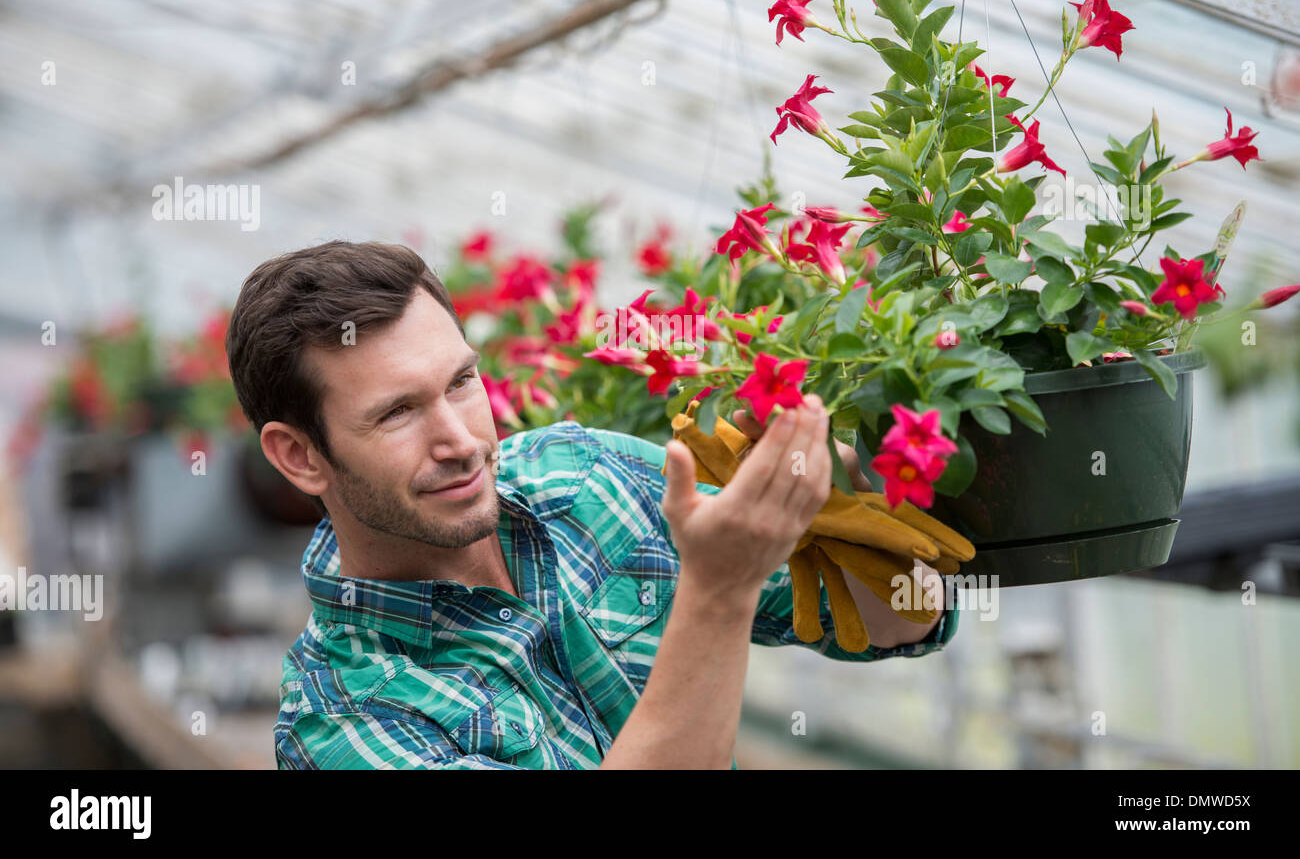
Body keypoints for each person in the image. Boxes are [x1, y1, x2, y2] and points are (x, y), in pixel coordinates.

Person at [225, 240, 955, 769]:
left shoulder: (584, 480)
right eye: (396, 414)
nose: (461, 440)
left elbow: (903, 618)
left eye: (460, 383)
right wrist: (719, 587)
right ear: (299, 454)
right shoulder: (343, 721)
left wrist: (834, 505)